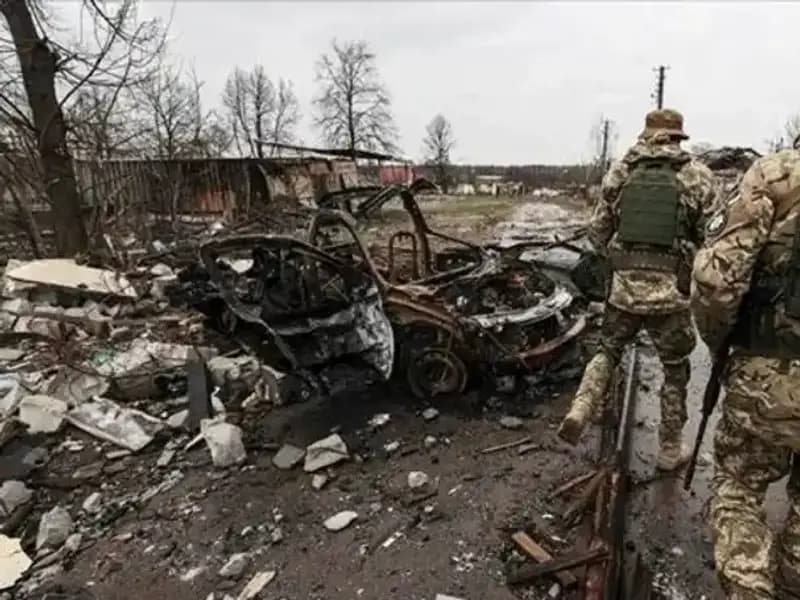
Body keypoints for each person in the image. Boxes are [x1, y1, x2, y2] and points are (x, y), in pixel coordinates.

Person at [557, 108, 718, 471]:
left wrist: (622, 260)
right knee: (675, 369)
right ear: (678, 138)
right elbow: (715, 239)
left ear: (646, 135)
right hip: (671, 298)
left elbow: (597, 232)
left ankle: (582, 406)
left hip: (623, 292)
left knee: (607, 350)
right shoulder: (696, 176)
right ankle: (669, 449)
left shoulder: (621, 171)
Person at [692, 147, 800, 599]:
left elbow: (717, 281)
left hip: (771, 370)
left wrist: (723, 344)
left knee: (737, 488)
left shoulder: (778, 173)